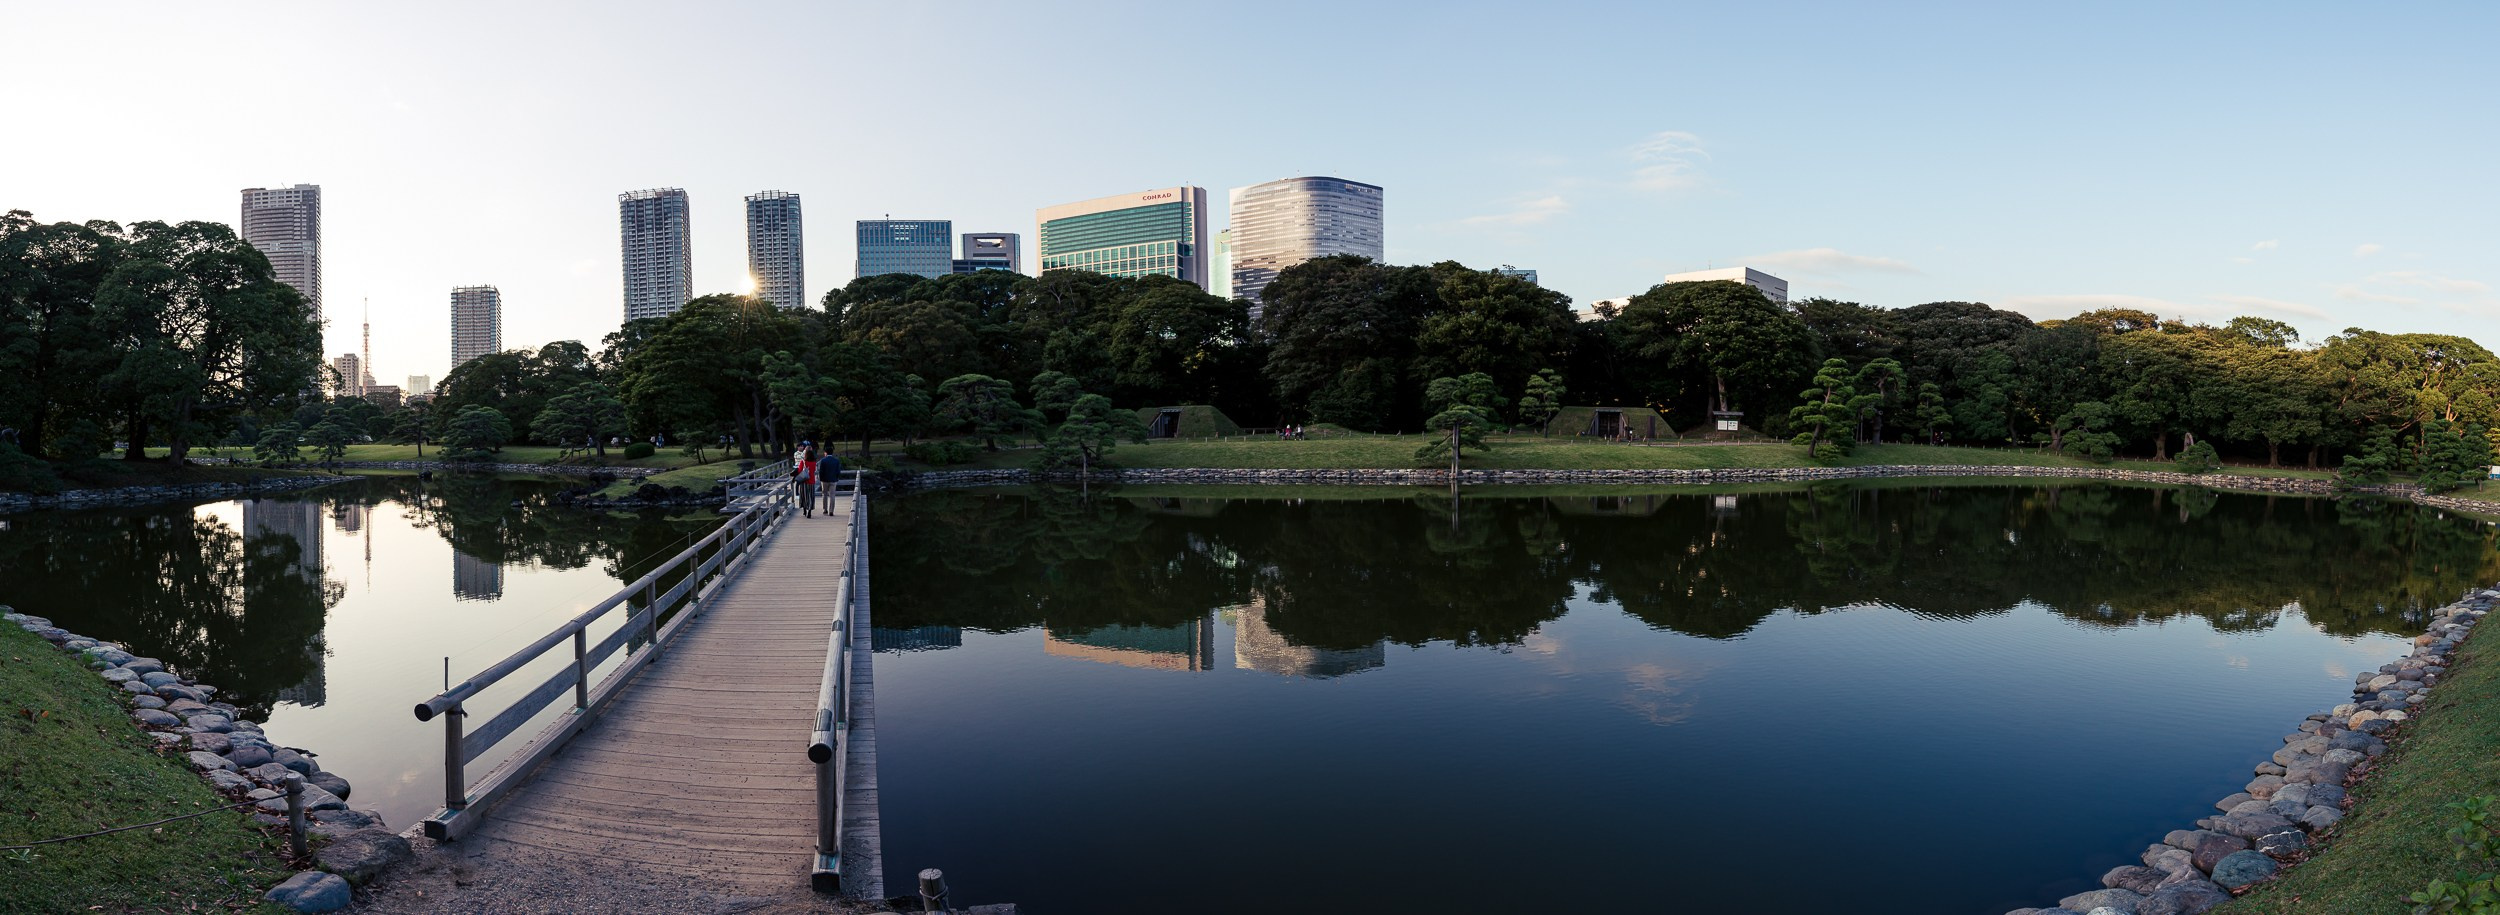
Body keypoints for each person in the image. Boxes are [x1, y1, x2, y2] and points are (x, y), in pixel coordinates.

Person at [792, 442, 817, 518]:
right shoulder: (814, 463)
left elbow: (799, 471)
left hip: (804, 481)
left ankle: (804, 510)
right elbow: (814, 470)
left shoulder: (803, 462)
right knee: (811, 496)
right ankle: (809, 510)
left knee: (804, 495)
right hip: (811, 481)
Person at [816, 447, 844, 515]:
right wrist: (837, 478)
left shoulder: (823, 460)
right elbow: (838, 471)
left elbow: (821, 471)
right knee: (832, 495)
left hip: (824, 480)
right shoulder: (836, 461)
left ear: (826, 453)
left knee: (824, 495)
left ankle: (825, 509)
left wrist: (821, 479)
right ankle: (831, 510)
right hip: (833, 480)